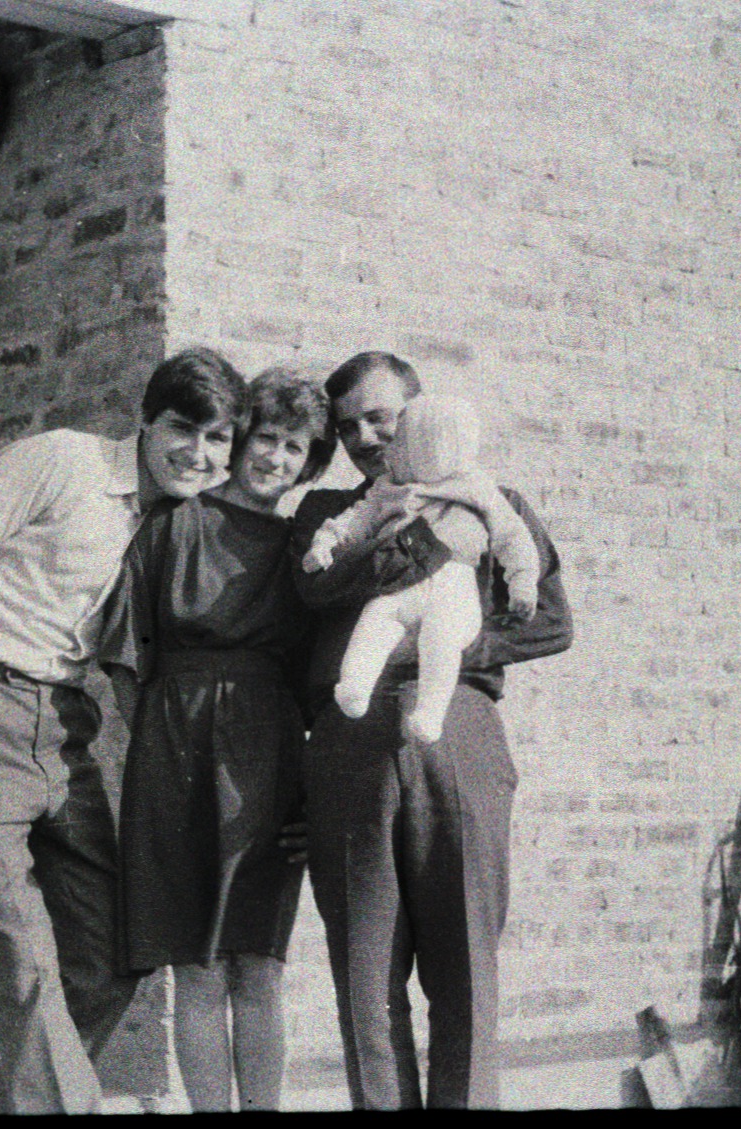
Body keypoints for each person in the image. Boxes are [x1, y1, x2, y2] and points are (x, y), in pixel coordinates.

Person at [0, 347, 247, 1114]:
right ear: (145, 421)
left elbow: (128, 664)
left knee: (112, 954)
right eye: (183, 428)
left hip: (63, 731)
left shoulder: (173, 526)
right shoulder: (62, 459)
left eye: (217, 437)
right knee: (25, 962)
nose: (197, 451)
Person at [292, 351, 574, 1110]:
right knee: (366, 981)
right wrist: (411, 535)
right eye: (347, 426)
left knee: (465, 969)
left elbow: (550, 621)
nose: (364, 437)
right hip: (349, 742)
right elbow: (314, 592)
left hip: (458, 731)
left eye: (379, 417)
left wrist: (450, 648)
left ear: (419, 410)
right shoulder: (326, 517)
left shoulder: (493, 501)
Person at [97, 369, 335, 1112]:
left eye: (295, 448)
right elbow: (124, 659)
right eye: (265, 437)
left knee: (258, 965)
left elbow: (319, 680)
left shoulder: (304, 549)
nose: (275, 458)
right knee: (196, 969)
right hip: (172, 755)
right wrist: (161, 753)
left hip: (269, 765)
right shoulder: (176, 524)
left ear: (311, 461)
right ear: (240, 438)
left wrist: (307, 789)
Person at [301, 392, 539, 743]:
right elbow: (355, 519)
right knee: (376, 621)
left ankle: (430, 712)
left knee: (441, 638)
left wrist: (523, 584)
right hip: (400, 590)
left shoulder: (477, 488)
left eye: (398, 436)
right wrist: (324, 544)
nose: (389, 447)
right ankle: (354, 687)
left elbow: (512, 537)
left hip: (453, 585)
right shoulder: (389, 487)